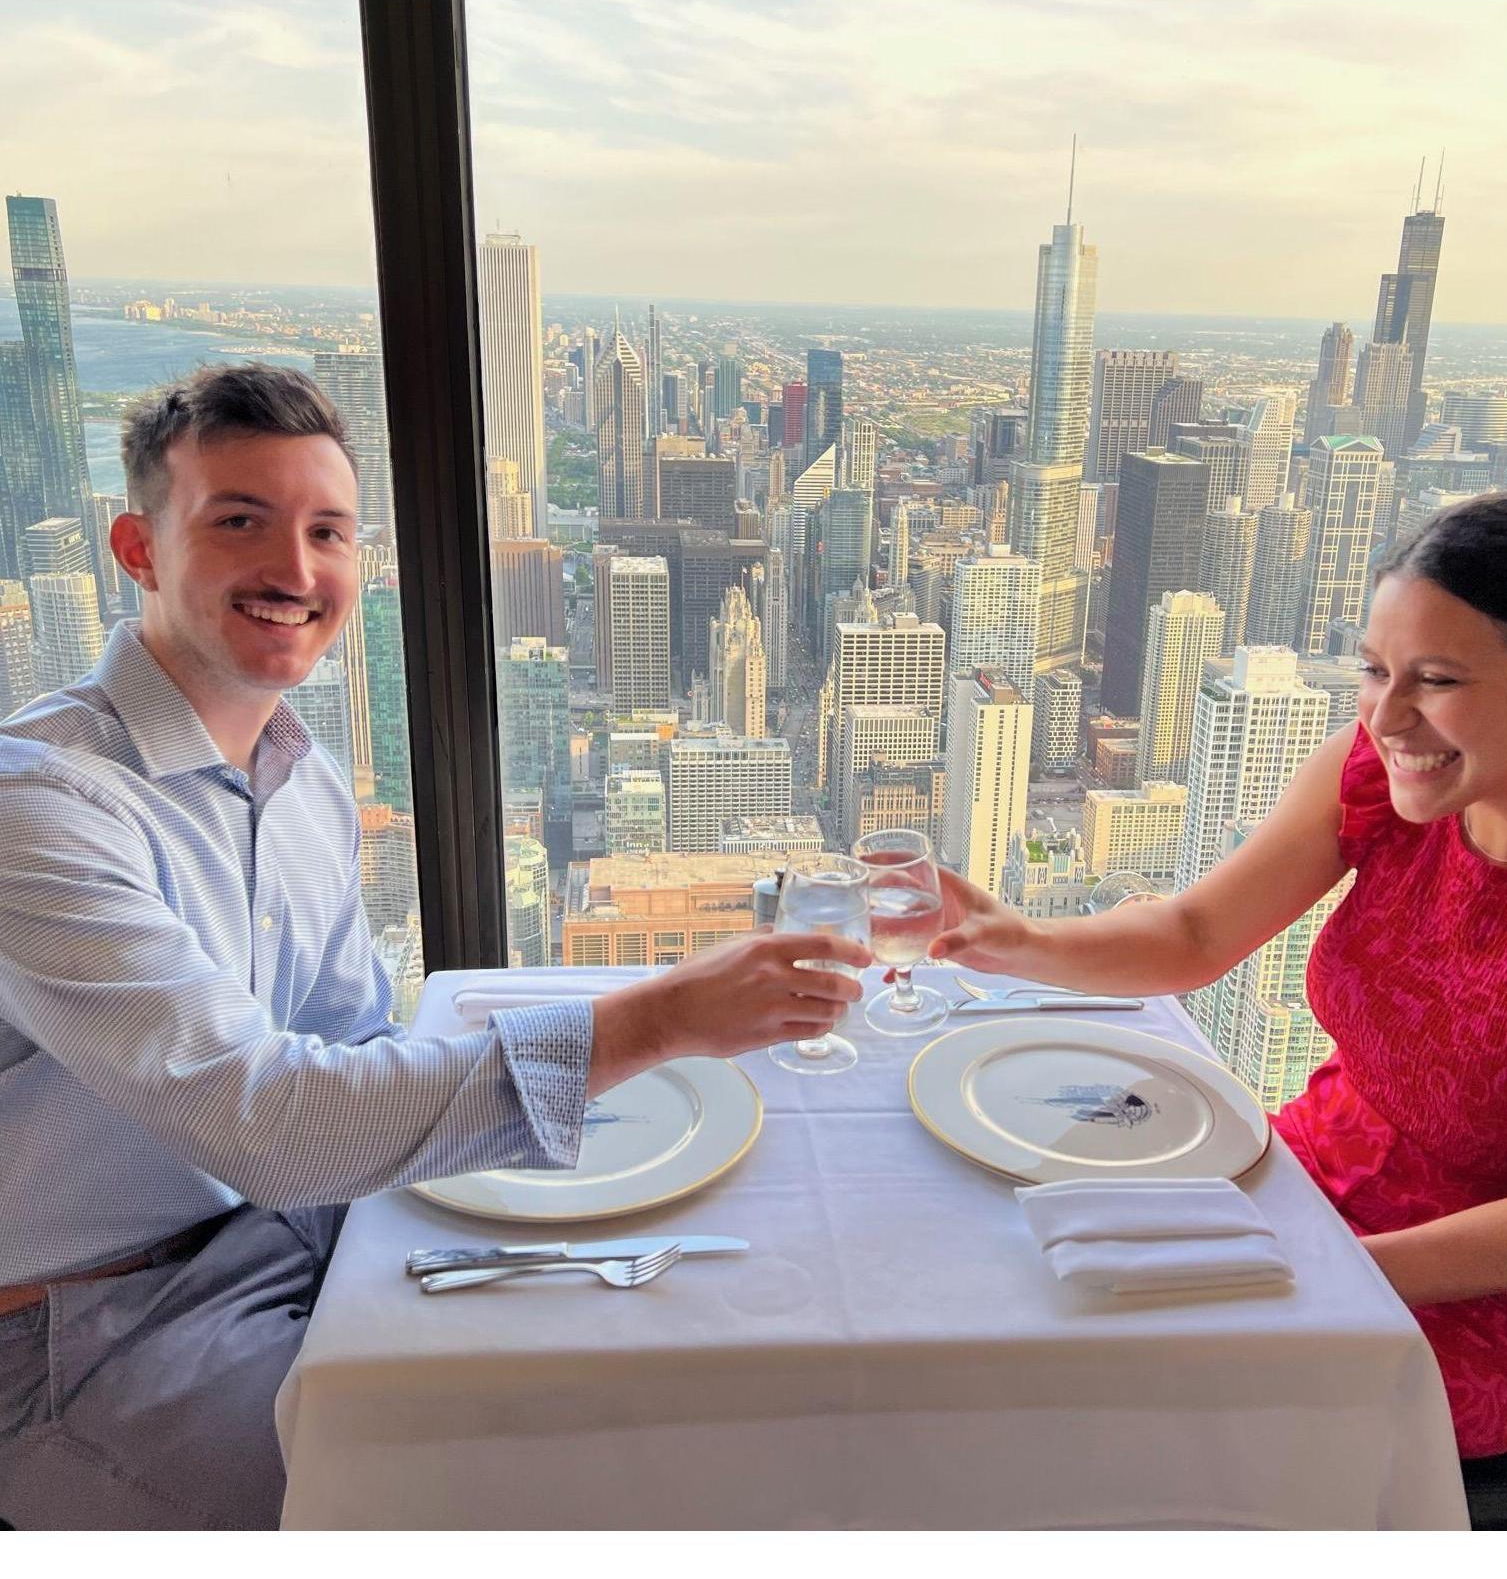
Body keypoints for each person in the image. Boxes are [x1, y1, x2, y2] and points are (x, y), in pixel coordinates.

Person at [0, 364, 871, 1530]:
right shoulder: (40, 805)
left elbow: (358, 1046)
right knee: (494, 1503)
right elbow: (261, 1118)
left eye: (328, 532)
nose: (297, 572)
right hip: (86, 1331)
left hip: (296, 1242)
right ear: (139, 547)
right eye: (239, 522)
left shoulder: (300, 780)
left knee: (646, 1387)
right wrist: (658, 1021)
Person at [925, 489, 1507, 1462]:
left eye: (1435, 680)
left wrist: (1317, 1267)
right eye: (1375, 670)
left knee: (1144, 1421)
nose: (1387, 717)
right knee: (1029, 1276)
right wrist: (1011, 939)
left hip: (1502, 1292)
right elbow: (1193, 933)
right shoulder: (1385, 777)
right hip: (1314, 1174)